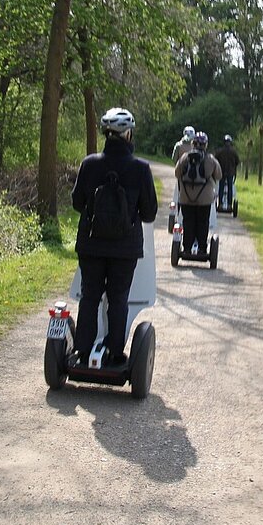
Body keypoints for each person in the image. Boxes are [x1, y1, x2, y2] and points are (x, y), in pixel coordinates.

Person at [71, 107, 158, 366]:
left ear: (106, 134)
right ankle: (114, 352)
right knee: (118, 298)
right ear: (128, 134)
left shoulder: (89, 164)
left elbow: (77, 203)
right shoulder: (141, 169)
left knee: (90, 296)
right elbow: (150, 212)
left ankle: (83, 350)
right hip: (125, 249)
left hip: (91, 245)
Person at [174, 131, 222, 257]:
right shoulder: (210, 159)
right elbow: (219, 175)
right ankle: (202, 249)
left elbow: (177, 173)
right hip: (204, 199)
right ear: (205, 145)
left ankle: (187, 248)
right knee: (203, 222)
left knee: (188, 221)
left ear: (192, 143)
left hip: (186, 198)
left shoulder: (184, 157)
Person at [213, 134, 241, 208]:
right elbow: (237, 162)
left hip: (221, 172)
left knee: (221, 188)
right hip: (230, 173)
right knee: (230, 188)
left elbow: (215, 161)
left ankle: (220, 204)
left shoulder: (219, 151)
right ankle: (229, 204)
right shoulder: (234, 152)